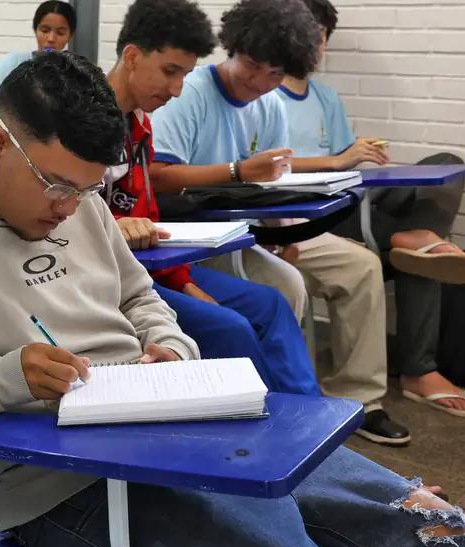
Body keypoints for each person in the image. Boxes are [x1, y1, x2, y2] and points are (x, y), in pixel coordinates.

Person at [0, 48, 465, 547]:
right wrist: (3, 377)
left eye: (88, 189)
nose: (70, 209)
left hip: (180, 432)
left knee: (430, 530)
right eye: (57, 187)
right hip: (68, 488)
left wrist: (170, 347)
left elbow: (140, 299)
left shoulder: (79, 203)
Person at [148, 0, 407, 445]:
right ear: (231, 47)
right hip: (192, 237)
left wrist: (285, 227)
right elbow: (159, 179)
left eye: (273, 74)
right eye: (251, 65)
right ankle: (280, 413)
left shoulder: (267, 105)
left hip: (246, 233)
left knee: (319, 275)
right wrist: (237, 172)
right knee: (281, 289)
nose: (258, 80)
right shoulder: (189, 92)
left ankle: (330, 409)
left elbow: (273, 182)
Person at [102, 0, 319, 397]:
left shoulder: (140, 124)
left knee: (271, 304)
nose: (176, 89)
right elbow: (65, 219)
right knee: (230, 326)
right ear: (132, 57)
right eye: (170, 72)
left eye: (183, 74)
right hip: (110, 278)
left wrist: (184, 282)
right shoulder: (84, 121)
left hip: (151, 266)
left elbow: (148, 221)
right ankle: (269, 433)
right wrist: (109, 227)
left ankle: (309, 419)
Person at [281, 0, 465, 416]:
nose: (316, 44)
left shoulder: (324, 97)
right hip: (311, 209)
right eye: (308, 34)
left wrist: (360, 152)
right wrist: (335, 161)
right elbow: (264, 169)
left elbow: (347, 162)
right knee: (420, 256)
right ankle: (420, 368)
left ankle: (417, 237)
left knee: (446, 164)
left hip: (350, 197)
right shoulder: (262, 93)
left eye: (322, 36)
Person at [0, 1, 75, 108]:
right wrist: (13, 92)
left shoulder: (73, 72)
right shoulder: (15, 61)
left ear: (70, 35)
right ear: (36, 30)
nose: (51, 38)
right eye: (45, 30)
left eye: (60, 33)